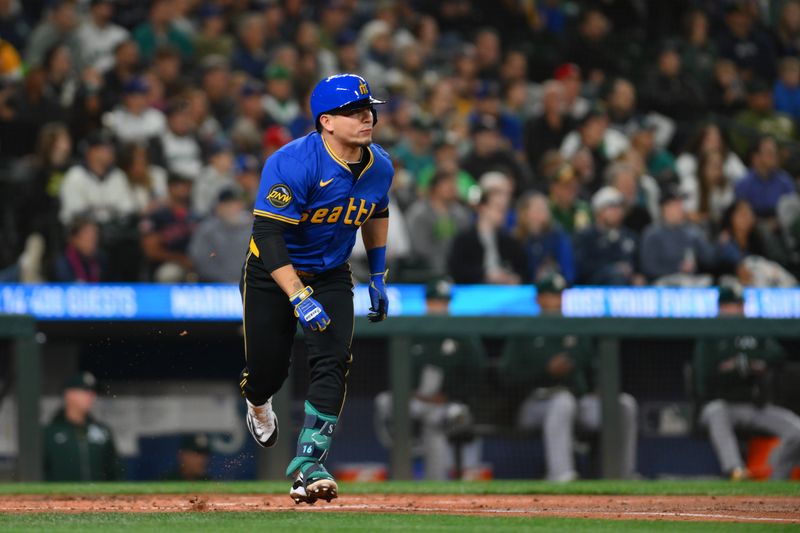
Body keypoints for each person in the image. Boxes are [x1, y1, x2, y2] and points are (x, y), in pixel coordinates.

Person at [238, 74, 392, 505]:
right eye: (354, 112)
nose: (367, 117)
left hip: (330, 273)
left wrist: (378, 274)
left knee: (333, 360)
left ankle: (308, 464)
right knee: (268, 371)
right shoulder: (292, 162)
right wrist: (297, 295)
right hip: (272, 272)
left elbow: (377, 211)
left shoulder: (380, 163)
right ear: (326, 120)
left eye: (369, 110)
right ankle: (257, 402)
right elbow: (268, 235)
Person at [502, 274, 639, 481]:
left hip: (580, 402)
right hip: (535, 404)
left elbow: (595, 368)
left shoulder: (577, 328)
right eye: (551, 296)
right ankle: (562, 475)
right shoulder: (524, 330)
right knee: (562, 402)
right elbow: (507, 377)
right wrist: (546, 372)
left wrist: (598, 387)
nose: (557, 301)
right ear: (539, 299)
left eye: (560, 295)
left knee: (624, 405)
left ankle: (624, 475)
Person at [373, 278, 484, 480]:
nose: (439, 306)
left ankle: (435, 478)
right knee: (384, 402)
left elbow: (477, 375)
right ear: (427, 303)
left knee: (436, 422)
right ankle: (405, 444)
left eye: (443, 302)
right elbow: (394, 370)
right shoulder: (414, 331)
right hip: (415, 400)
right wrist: (409, 391)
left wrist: (450, 394)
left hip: (450, 405)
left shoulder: (463, 333)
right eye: (435, 301)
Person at [692, 282, 800, 480]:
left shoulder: (753, 329)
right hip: (722, 404)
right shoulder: (710, 336)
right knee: (716, 412)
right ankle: (736, 470)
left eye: (741, 304)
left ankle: (776, 479)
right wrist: (734, 369)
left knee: (796, 429)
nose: (740, 309)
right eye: (734, 304)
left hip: (755, 405)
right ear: (721, 307)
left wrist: (751, 363)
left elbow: (777, 356)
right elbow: (703, 379)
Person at [43, 371, 122, 481]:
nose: (92, 396)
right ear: (68, 394)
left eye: (93, 392)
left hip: (99, 497)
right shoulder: (48, 433)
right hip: (61, 497)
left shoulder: (103, 431)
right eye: (85, 391)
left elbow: (115, 472)